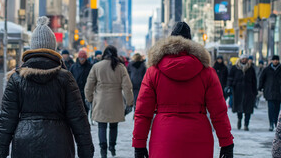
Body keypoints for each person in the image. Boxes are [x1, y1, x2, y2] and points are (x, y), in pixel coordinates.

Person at [0, 17, 94, 158]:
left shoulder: (16, 78)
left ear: (32, 47)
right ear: (53, 47)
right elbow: (79, 119)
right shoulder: (65, 78)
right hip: (59, 144)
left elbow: (6, 119)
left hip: (24, 144)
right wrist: (86, 151)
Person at [132, 22, 234, 158]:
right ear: (190, 43)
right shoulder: (207, 72)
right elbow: (219, 112)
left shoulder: (153, 72)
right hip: (198, 135)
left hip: (164, 135)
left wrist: (139, 144)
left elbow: (143, 112)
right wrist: (226, 143)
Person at [85, 45, 133, 158]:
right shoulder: (120, 67)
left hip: (100, 100)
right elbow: (127, 87)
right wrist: (130, 102)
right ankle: (112, 146)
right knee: (113, 125)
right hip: (116, 101)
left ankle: (103, 150)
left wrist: (90, 99)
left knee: (101, 126)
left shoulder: (97, 66)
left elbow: (89, 86)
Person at [227, 54, 257, 131]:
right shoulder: (235, 68)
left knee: (248, 109)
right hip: (238, 90)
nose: (244, 60)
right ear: (240, 59)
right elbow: (230, 77)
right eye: (243, 59)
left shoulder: (251, 68)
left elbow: (254, 80)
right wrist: (230, 86)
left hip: (249, 91)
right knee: (239, 108)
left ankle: (246, 124)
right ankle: (239, 119)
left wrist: (255, 91)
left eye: (245, 59)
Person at [259, 55, 281, 131]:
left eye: (277, 60)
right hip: (269, 91)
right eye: (274, 60)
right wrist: (260, 87)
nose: (275, 61)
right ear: (272, 61)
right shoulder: (267, 69)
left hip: (279, 92)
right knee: (271, 108)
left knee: (277, 109)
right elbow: (262, 79)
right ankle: (271, 123)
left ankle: (276, 122)